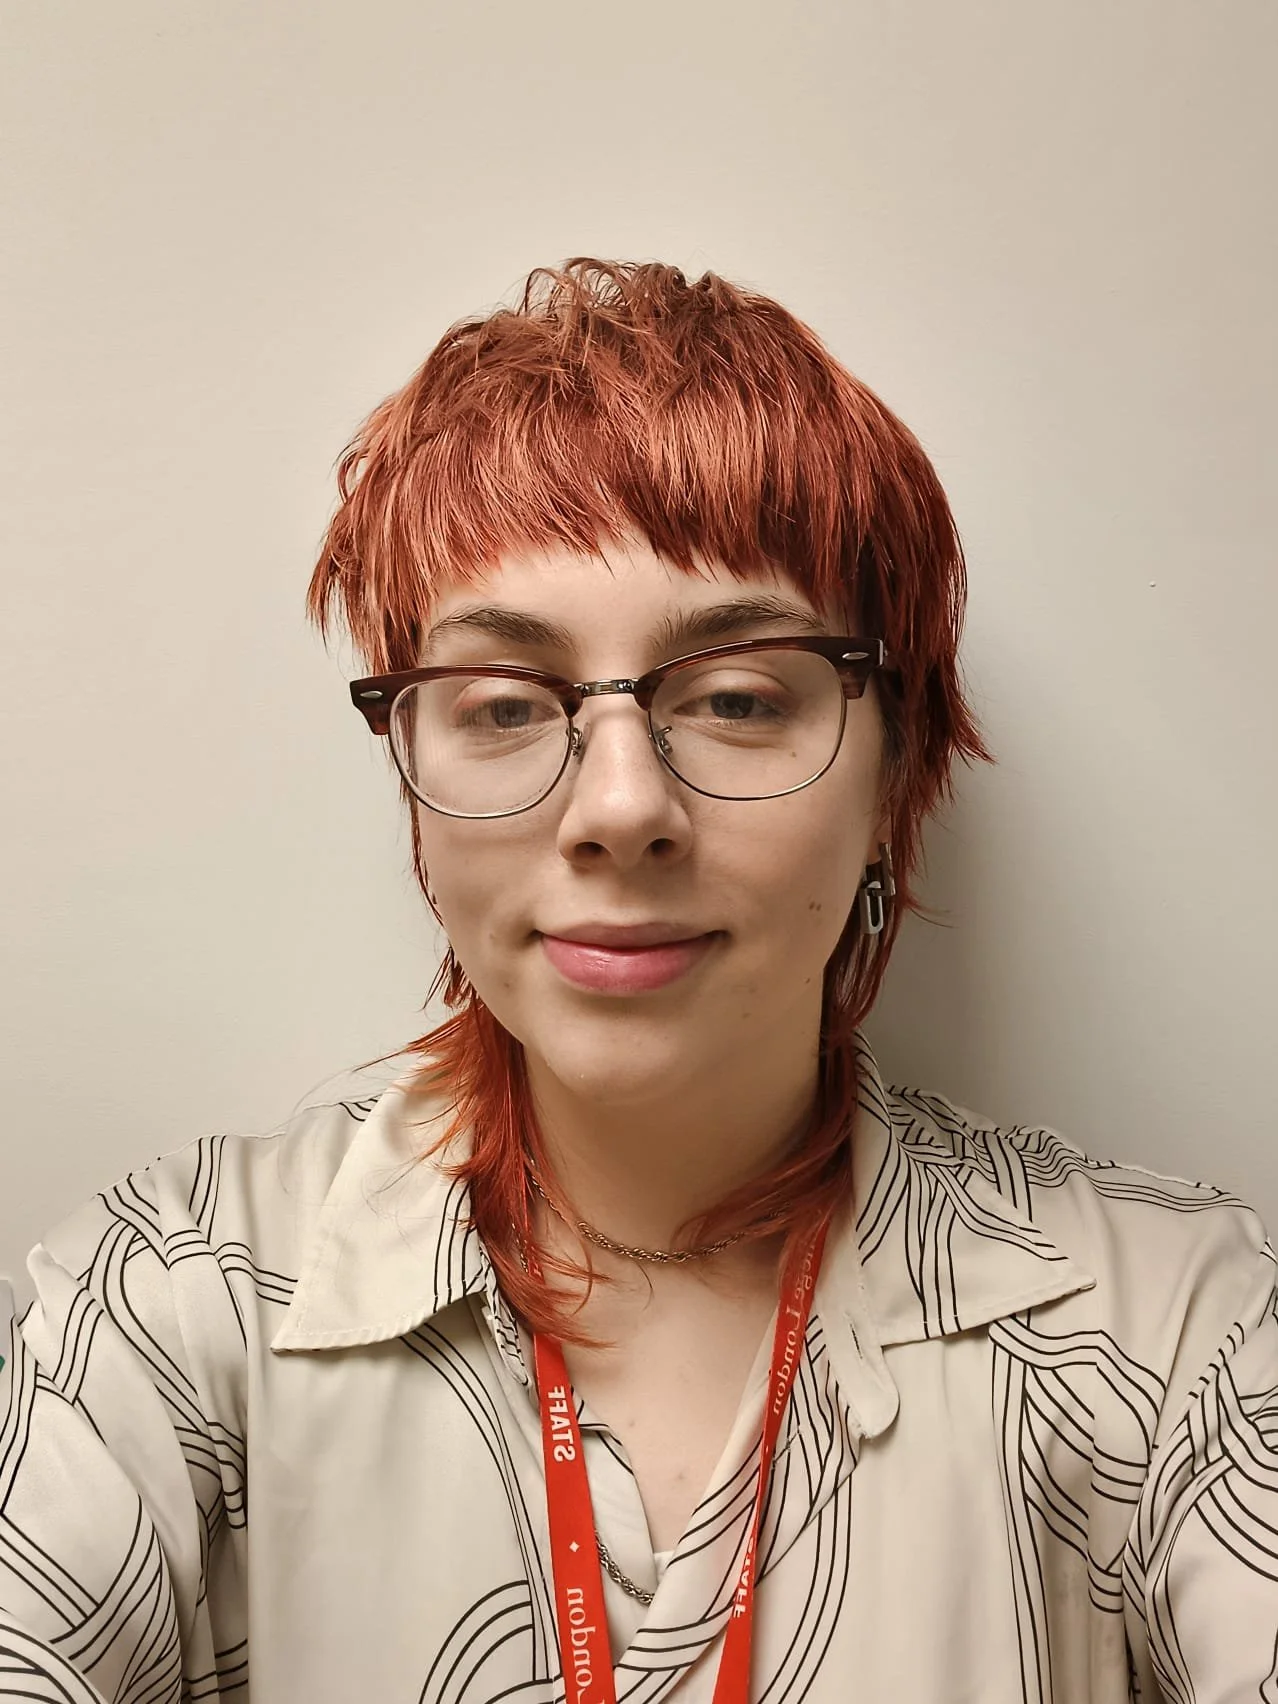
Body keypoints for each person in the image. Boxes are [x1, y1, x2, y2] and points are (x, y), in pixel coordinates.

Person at [2, 259, 1275, 1704]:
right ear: (412, 788)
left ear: (898, 768)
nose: (618, 807)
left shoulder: (1172, 1336)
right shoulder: (168, 1314)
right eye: (501, 703)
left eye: (735, 696)